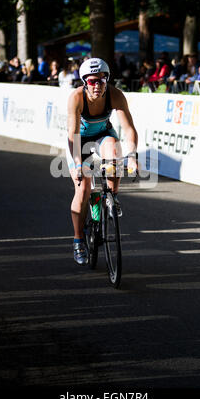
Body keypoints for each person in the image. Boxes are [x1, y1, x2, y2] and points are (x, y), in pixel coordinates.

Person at [67, 58, 138, 265]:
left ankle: (112, 197)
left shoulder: (115, 94)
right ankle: (78, 240)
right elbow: (73, 134)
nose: (97, 85)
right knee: (83, 188)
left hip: (103, 135)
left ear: (107, 80)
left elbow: (129, 129)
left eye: (101, 80)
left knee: (114, 156)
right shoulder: (76, 97)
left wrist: (132, 155)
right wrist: (79, 163)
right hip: (79, 140)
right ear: (84, 82)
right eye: (92, 81)